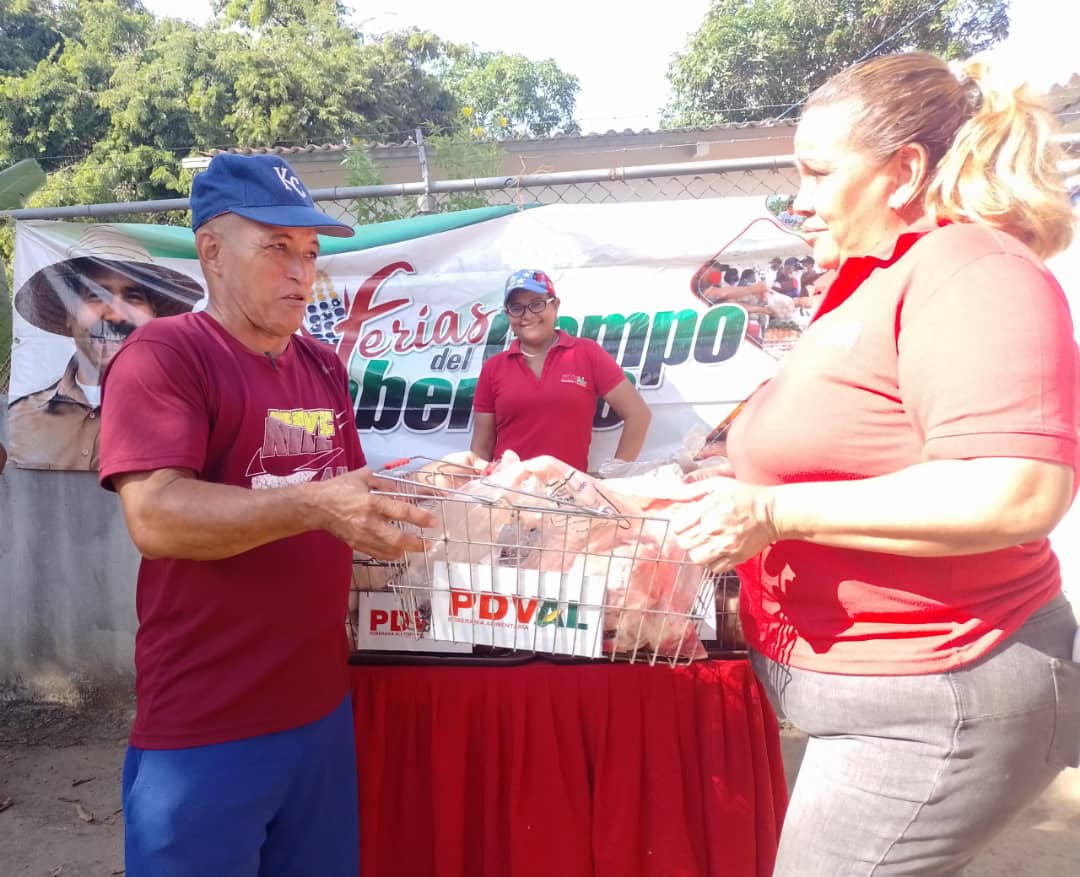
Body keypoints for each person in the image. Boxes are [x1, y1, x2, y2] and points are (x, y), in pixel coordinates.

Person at [672, 52, 1079, 876]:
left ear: (905, 172)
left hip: (940, 697)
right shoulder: (873, 277)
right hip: (883, 701)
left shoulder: (975, 268)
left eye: (818, 172)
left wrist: (773, 511)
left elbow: (1016, 488)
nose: (798, 198)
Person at [98, 154, 435, 876]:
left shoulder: (321, 364)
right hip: (208, 723)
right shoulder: (165, 354)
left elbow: (346, 498)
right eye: (277, 246)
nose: (301, 271)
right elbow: (155, 515)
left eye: (309, 251)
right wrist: (314, 504)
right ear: (212, 252)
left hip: (319, 710)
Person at [8, 225, 203, 470]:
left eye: (133, 297)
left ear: (154, 316)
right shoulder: (23, 418)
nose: (115, 314)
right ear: (70, 314)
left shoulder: (187, 416)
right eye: (96, 295)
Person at [471, 268, 651, 474]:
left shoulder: (586, 353)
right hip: (506, 488)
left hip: (566, 491)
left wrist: (613, 476)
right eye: (516, 308)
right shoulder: (493, 368)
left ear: (555, 306)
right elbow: (482, 447)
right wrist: (477, 487)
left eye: (537, 304)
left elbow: (638, 414)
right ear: (508, 314)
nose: (527, 315)